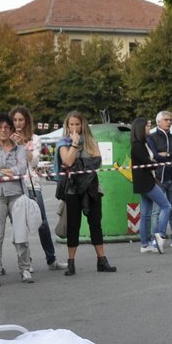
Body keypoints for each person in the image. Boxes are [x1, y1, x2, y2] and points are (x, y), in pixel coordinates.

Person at [55, 111, 115, 276]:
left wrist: (79, 163)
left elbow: (97, 161)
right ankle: (71, 263)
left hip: (91, 188)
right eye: (71, 124)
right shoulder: (64, 142)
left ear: (83, 125)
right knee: (73, 225)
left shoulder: (90, 141)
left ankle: (102, 260)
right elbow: (67, 161)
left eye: (77, 124)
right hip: (72, 188)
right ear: (67, 126)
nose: (74, 128)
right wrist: (74, 146)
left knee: (95, 224)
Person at [0, 114, 34, 286]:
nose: (3, 130)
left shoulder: (19, 148)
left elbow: (21, 169)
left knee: (21, 232)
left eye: (7, 127)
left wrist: (1, 169)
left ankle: (25, 268)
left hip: (16, 193)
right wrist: (8, 171)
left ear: (11, 130)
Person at [10, 106, 59, 270]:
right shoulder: (6, 139)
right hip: (15, 185)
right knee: (20, 224)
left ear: (26, 121)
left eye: (21, 120)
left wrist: (23, 144)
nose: (18, 123)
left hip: (32, 184)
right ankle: (26, 262)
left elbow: (34, 162)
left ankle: (51, 259)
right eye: (15, 120)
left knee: (42, 222)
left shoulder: (34, 139)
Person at [129, 117, 171, 253]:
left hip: (145, 182)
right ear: (140, 129)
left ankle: (144, 244)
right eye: (147, 126)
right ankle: (160, 234)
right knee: (166, 206)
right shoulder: (137, 145)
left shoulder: (143, 143)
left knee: (146, 214)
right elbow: (147, 163)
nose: (149, 128)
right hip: (146, 182)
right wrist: (157, 164)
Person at [147, 110, 172, 247]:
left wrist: (167, 154)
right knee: (157, 210)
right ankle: (154, 238)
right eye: (166, 119)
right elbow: (155, 156)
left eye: (170, 120)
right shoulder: (151, 138)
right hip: (159, 178)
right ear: (158, 122)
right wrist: (171, 154)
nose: (169, 122)